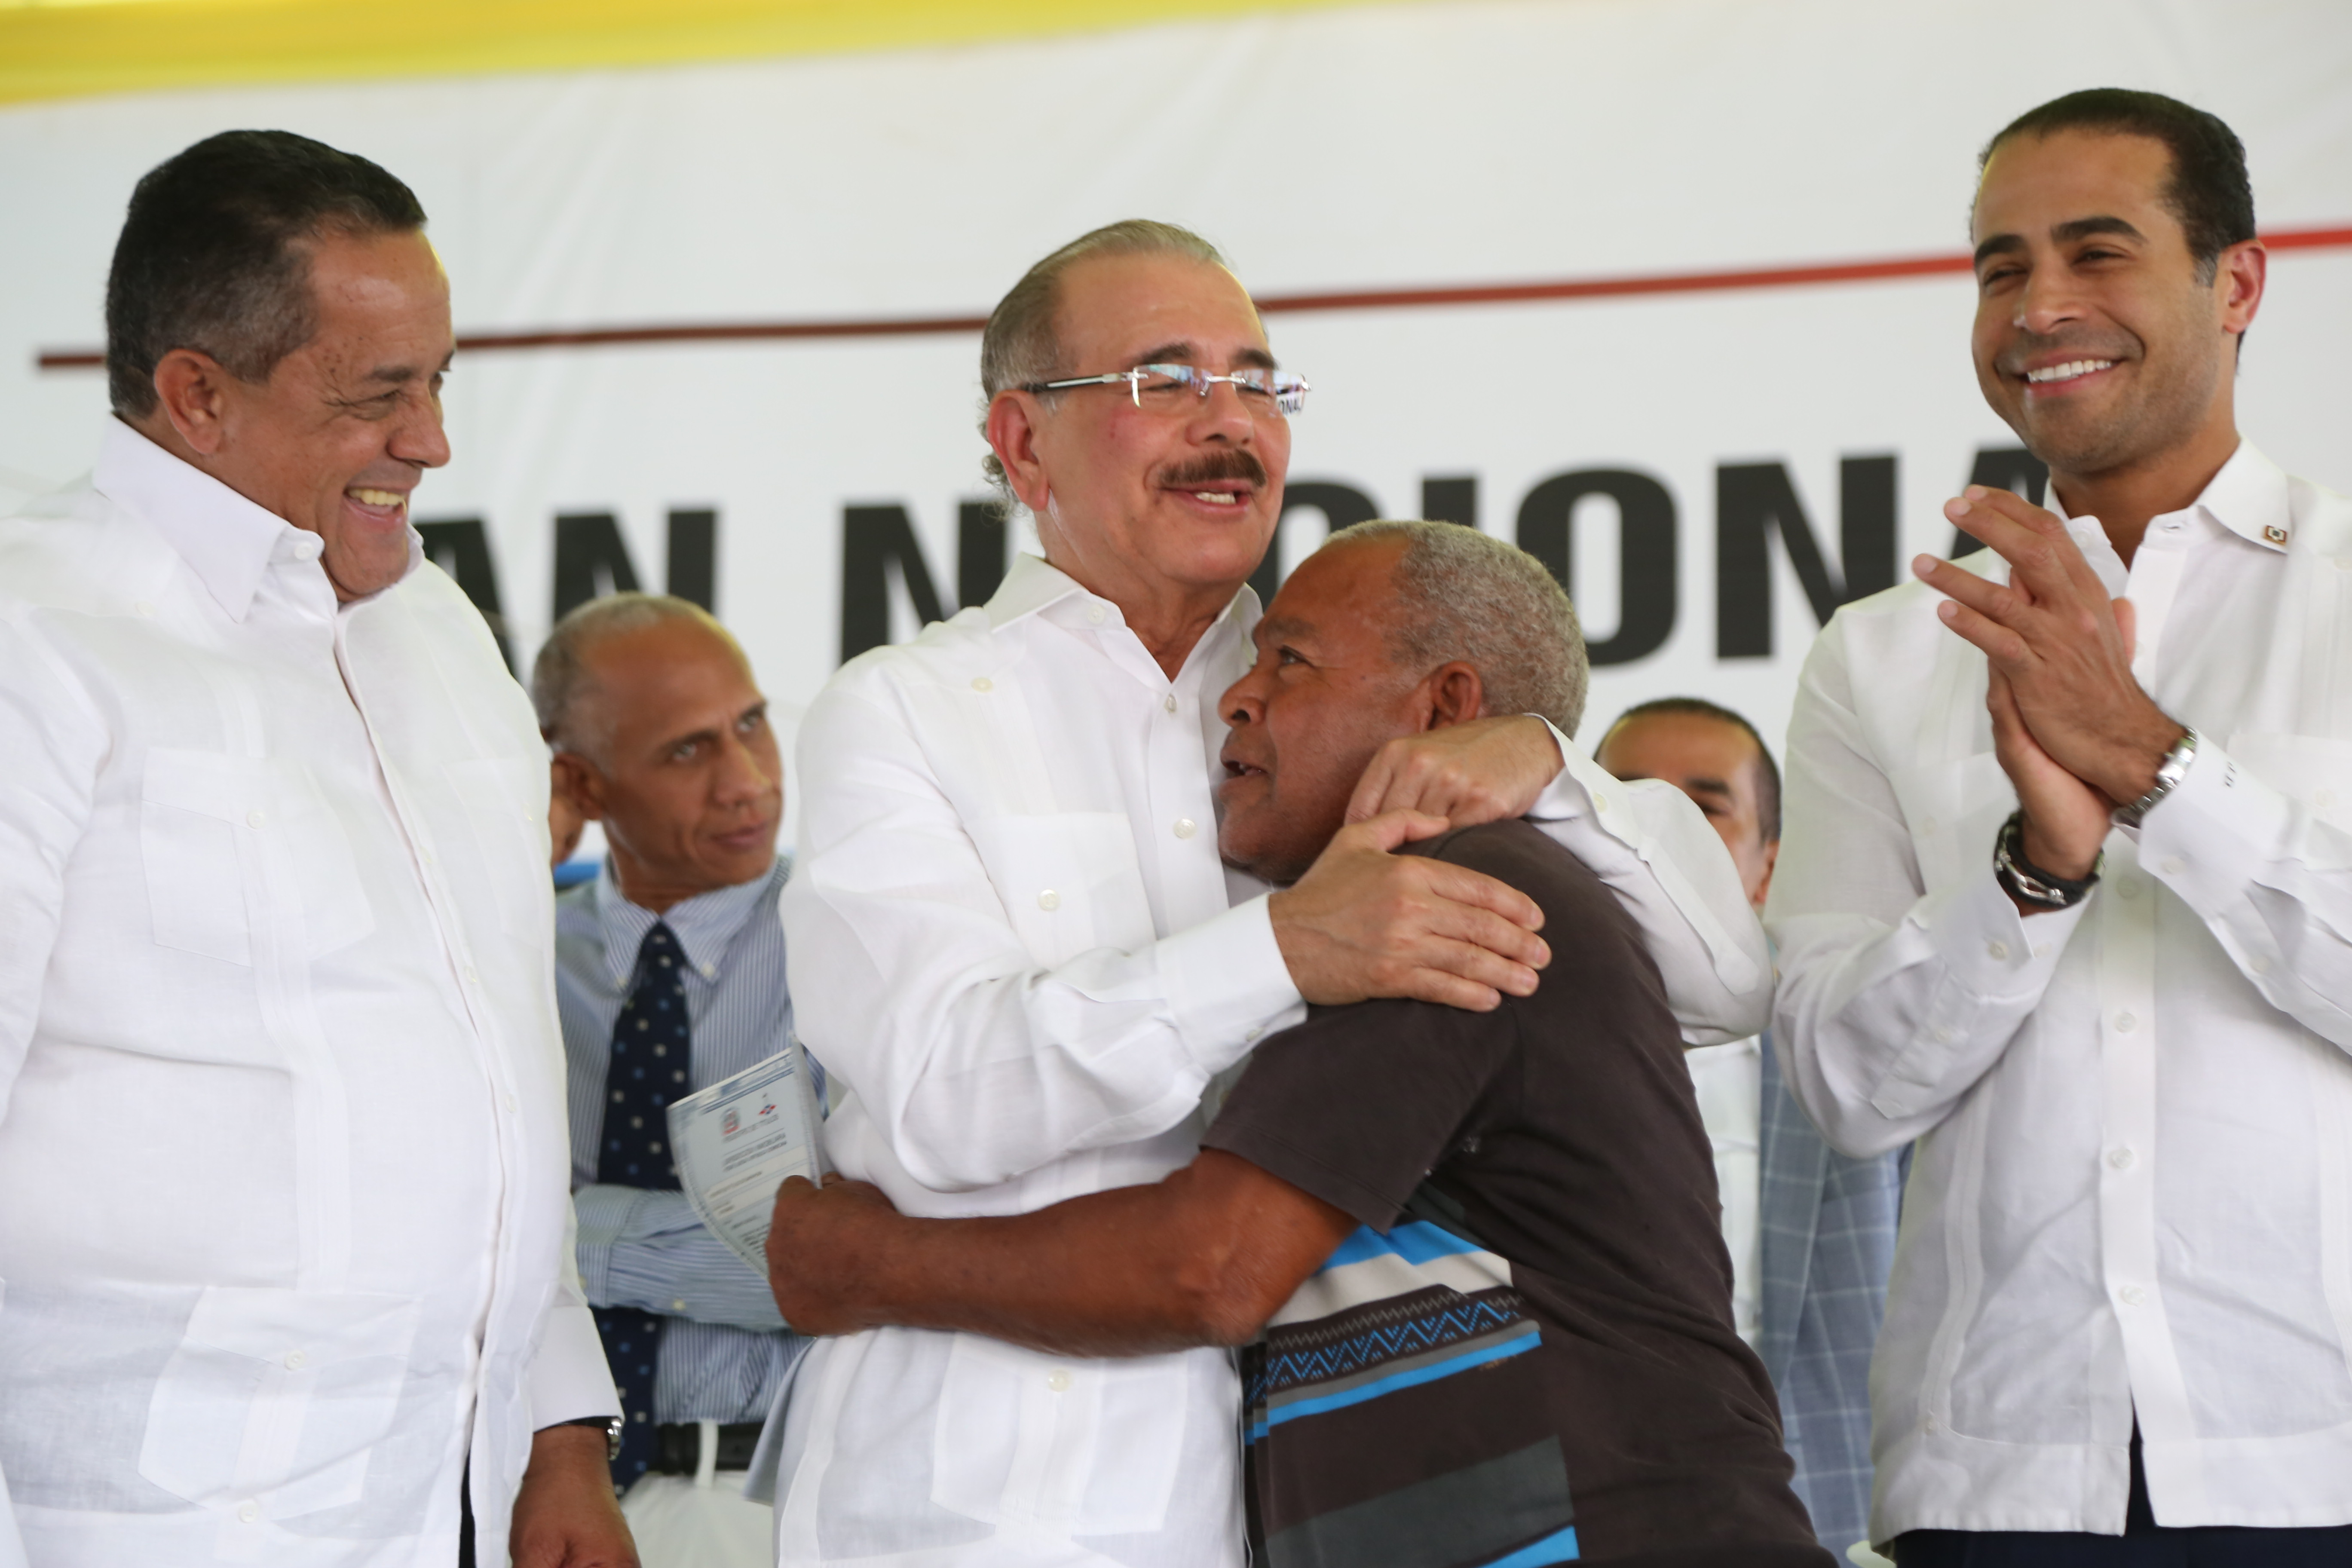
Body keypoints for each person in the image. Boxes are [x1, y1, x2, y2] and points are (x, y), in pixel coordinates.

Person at [767, 220, 1773, 1566]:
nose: (1229, 422)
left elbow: (1728, 986)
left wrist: (1547, 760)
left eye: (1256, 381)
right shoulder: (905, 711)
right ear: (1021, 442)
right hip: (969, 1501)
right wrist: (1287, 949)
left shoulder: (1349, 694)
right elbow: (946, 1096)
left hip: (1266, 1512)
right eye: (1165, 380)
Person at [0, 131, 631, 1567]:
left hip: (456, 1504)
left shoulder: (441, 636)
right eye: (376, 394)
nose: (433, 440)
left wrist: (559, 1431)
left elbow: (497, 1074)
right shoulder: (34, 636)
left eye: (440, 381)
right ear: (196, 395)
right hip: (146, 1525)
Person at [1768, 88, 2352, 1560]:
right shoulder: (1881, 652)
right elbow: (1845, 1087)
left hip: (2322, 1459)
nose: (2039, 308)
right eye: (2001, 267)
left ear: (2238, 282)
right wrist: (2035, 873)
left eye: (2098, 253)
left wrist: (2158, 768)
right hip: (1998, 1478)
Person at [534, 594, 809, 1567]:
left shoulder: (855, 941)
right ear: (581, 783)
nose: (747, 782)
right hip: (540, 1503)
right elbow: (424, 1245)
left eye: (751, 725)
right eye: (687, 751)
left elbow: (836, 1267)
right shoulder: (506, 960)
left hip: (775, 1504)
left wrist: (551, 1236)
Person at [1594, 699, 1902, 1557]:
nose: (1657, 834)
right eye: (1624, 801)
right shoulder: (1504, 1042)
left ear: (1769, 866)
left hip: (1821, 1520)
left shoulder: (1853, 1050)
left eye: (1703, 808)